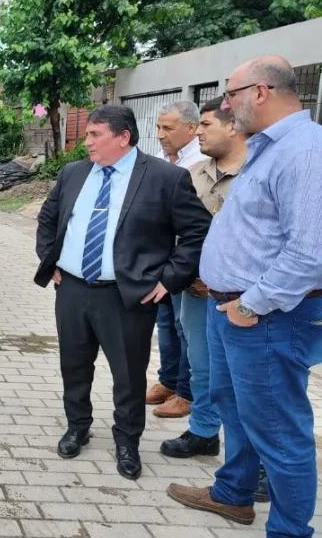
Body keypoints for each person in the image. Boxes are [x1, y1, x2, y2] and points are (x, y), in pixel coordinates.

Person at [167, 56, 322, 538]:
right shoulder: (269, 149)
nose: (225, 105)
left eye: (229, 94)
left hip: (267, 317)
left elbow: (309, 253)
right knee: (235, 407)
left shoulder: (304, 152)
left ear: (259, 91)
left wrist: (251, 303)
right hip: (231, 308)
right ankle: (233, 495)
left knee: (280, 428)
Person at [35, 105, 210, 480]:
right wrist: (50, 262)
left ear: (123, 137)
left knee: (128, 374)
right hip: (73, 290)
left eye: (94, 135)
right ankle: (77, 426)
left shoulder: (165, 178)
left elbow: (197, 232)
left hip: (127, 296)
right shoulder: (73, 174)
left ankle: (127, 441)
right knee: (74, 366)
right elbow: (48, 219)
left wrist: (168, 280)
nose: (87, 143)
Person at [159, 99, 246, 458]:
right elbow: (177, 229)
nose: (198, 131)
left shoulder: (256, 173)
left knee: (244, 378)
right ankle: (204, 431)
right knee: (201, 364)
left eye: (206, 124)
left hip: (242, 296)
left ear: (232, 126)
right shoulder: (193, 173)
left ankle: (251, 459)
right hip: (194, 288)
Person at [147, 101, 205, 417]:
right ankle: (167, 380)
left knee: (187, 328)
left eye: (168, 128)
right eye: (158, 127)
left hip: (186, 259)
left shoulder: (200, 162)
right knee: (166, 323)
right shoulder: (162, 160)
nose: (160, 134)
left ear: (191, 128)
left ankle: (187, 391)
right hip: (161, 257)